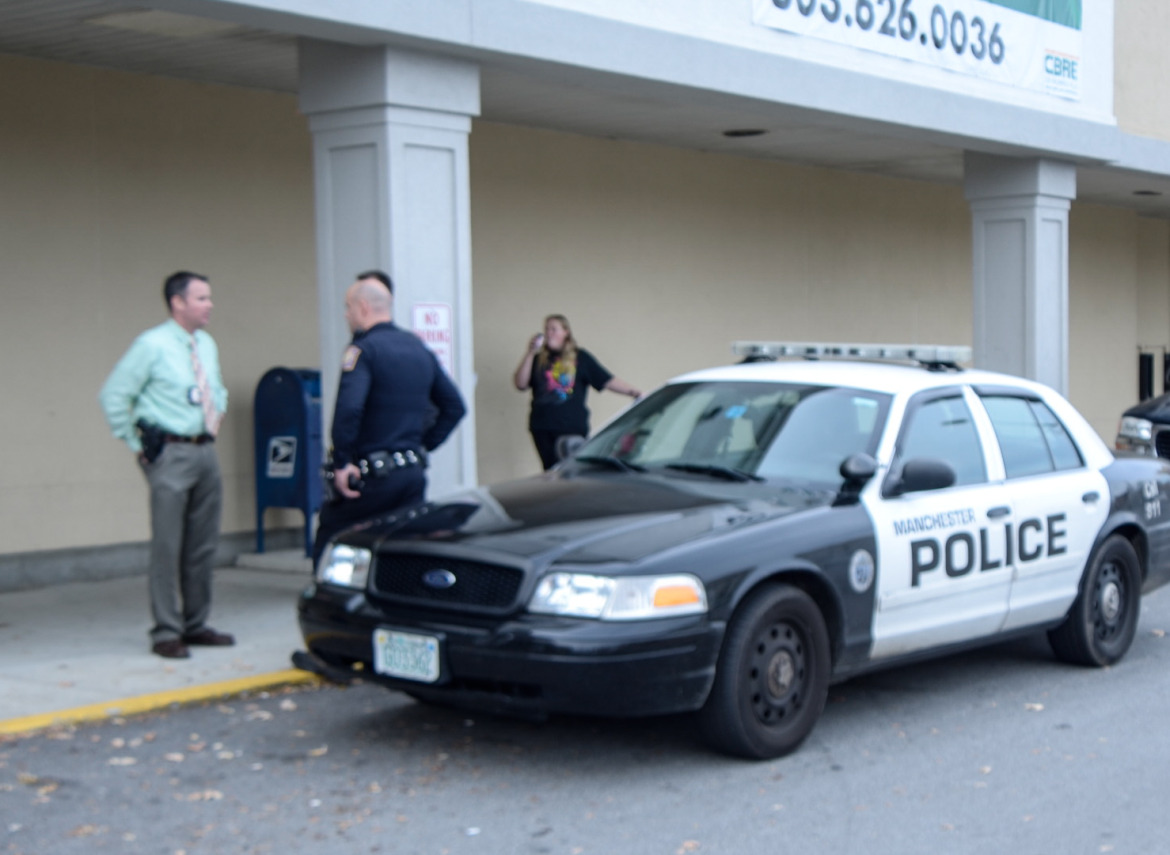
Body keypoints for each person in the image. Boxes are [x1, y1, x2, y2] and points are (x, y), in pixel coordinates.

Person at [99, 271, 233, 660]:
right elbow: (114, 394)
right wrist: (136, 442)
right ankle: (166, 630)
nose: (209, 305)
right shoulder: (151, 345)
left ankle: (196, 623)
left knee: (203, 544)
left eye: (209, 298)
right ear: (178, 302)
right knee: (168, 546)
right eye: (202, 298)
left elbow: (217, 387)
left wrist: (217, 413)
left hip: (205, 448)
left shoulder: (204, 343)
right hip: (170, 452)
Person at [312, 271, 467, 567]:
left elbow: (349, 409)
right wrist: (422, 445)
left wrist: (343, 462)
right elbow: (454, 406)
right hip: (410, 476)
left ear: (363, 308)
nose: (346, 315)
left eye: (348, 307)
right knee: (401, 552)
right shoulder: (417, 348)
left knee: (333, 541)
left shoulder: (363, 350)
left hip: (370, 478)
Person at [513, 314, 641, 470]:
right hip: (542, 426)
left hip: (571, 426)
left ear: (566, 332)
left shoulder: (581, 358)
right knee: (551, 470)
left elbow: (606, 380)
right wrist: (530, 353)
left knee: (571, 470)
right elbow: (520, 384)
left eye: (554, 329)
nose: (549, 333)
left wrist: (634, 392)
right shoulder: (539, 359)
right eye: (546, 329)